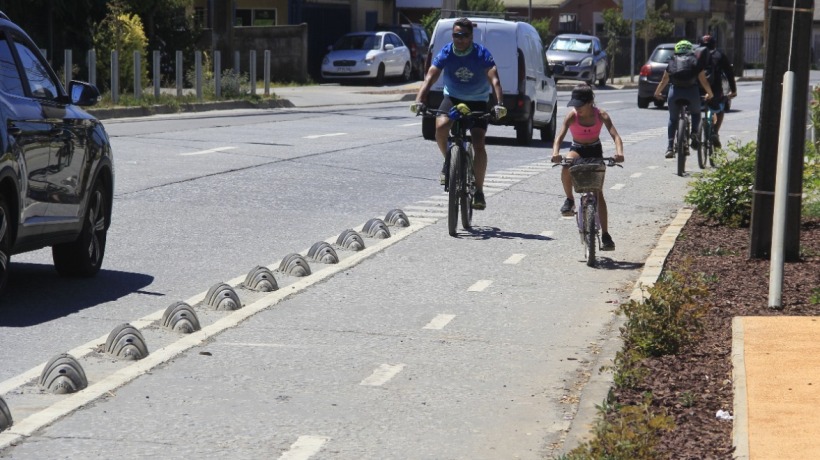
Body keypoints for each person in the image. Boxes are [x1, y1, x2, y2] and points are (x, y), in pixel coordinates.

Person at [411, 17, 506, 210]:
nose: (459, 39)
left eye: (463, 35)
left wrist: (499, 104)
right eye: (456, 35)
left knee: (478, 141)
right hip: (453, 97)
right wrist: (419, 99)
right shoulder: (447, 51)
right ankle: (449, 161)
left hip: (477, 100)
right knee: (440, 128)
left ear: (471, 36)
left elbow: (494, 79)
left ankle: (478, 191)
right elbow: (431, 75)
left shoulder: (481, 54)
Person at [551, 84, 624, 250]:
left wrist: (619, 153)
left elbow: (616, 136)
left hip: (594, 149)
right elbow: (559, 138)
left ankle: (605, 235)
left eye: (580, 104)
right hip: (577, 149)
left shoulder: (601, 115)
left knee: (598, 192)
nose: (577, 108)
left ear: (590, 102)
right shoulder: (572, 116)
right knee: (567, 164)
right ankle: (569, 200)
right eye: (574, 105)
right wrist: (555, 153)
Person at [654, 40, 714, 159]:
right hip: (691, 92)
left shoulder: (672, 61)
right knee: (696, 113)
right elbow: (704, 81)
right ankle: (694, 134)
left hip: (674, 93)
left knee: (673, 118)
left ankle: (670, 147)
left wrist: (657, 93)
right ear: (691, 50)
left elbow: (664, 80)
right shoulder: (695, 61)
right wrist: (710, 94)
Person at [695, 34, 737, 148]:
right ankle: (715, 132)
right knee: (720, 109)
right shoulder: (719, 55)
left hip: (696, 89)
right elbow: (729, 73)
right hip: (715, 89)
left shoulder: (695, 54)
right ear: (714, 44)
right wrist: (733, 91)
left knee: (695, 110)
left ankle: (694, 132)